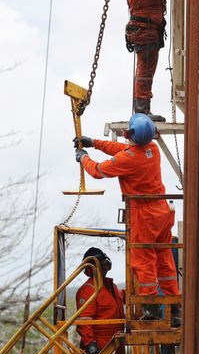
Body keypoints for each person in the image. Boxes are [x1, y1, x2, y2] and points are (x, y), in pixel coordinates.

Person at [75, 113, 181, 325]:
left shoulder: (129, 160)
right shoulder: (153, 149)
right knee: (164, 259)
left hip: (144, 214)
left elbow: (97, 171)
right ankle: (175, 309)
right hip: (161, 210)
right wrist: (94, 143)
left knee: (144, 261)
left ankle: (150, 308)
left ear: (128, 133)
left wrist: (84, 157)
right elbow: (122, 151)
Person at [116, 0, 169, 122]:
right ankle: (141, 110)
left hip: (149, 29)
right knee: (145, 71)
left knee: (147, 70)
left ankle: (143, 108)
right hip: (144, 29)